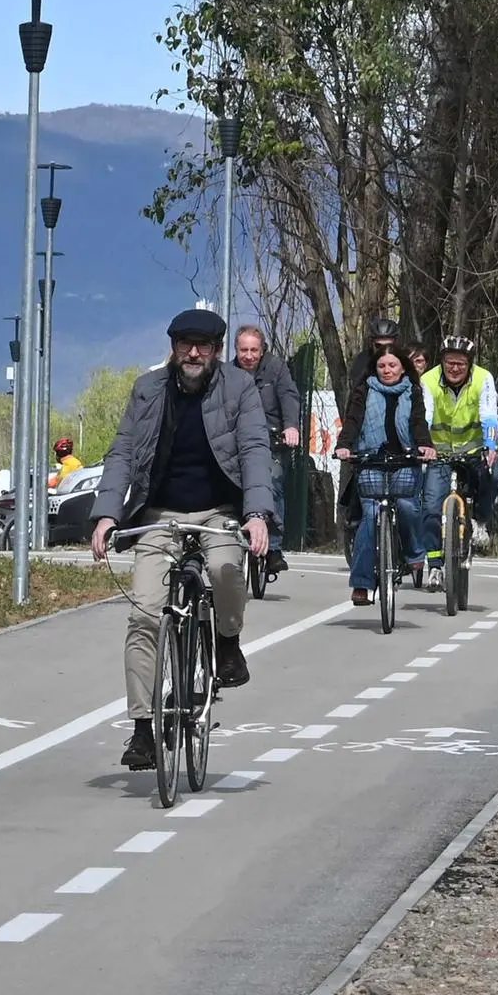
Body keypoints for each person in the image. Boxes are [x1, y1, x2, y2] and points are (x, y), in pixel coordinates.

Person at [91, 308, 278, 769]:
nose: (193, 353)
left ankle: (227, 641)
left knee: (225, 567)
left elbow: (255, 449)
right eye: (184, 345)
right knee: (144, 615)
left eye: (203, 346)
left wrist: (257, 514)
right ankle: (142, 729)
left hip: (219, 511)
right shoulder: (147, 389)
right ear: (173, 348)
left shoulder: (239, 388)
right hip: (160, 514)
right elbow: (122, 452)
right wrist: (107, 515)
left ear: (216, 351)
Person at [340, 342, 435, 606]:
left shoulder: (413, 390)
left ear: (403, 368)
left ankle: (414, 553)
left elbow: (418, 422)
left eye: (392, 365)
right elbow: (353, 420)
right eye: (381, 366)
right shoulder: (364, 389)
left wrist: (425, 445)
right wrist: (344, 445)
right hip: (371, 460)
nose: (387, 370)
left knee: (407, 506)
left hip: (405, 459)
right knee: (370, 516)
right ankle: (361, 584)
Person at [417, 334, 498, 580]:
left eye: (461, 364)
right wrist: (424, 446)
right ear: (442, 361)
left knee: (494, 473)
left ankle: (480, 522)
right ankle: (435, 565)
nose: (455, 369)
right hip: (439, 452)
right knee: (431, 506)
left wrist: (490, 446)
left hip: (473, 450)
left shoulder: (483, 378)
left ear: (470, 364)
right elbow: (425, 416)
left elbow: (489, 415)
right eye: (450, 363)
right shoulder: (428, 380)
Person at [233, 323, 305, 568]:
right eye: (243, 350)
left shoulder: (276, 368)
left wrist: (291, 426)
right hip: (239, 439)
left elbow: (289, 396)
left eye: (254, 350)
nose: (248, 356)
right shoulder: (228, 374)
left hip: (271, 438)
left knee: (272, 484)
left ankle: (273, 547)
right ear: (236, 350)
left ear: (262, 350)